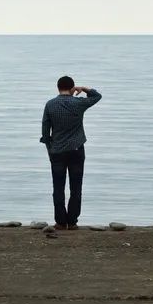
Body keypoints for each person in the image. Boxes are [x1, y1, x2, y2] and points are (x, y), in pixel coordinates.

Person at [40, 76, 102, 230]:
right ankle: (72, 222)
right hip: (76, 150)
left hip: (57, 151)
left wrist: (50, 150)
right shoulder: (78, 103)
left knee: (58, 188)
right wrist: (85, 89)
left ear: (57, 87)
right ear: (72, 87)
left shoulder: (50, 105)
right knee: (76, 188)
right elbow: (97, 96)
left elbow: (45, 132)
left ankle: (61, 222)